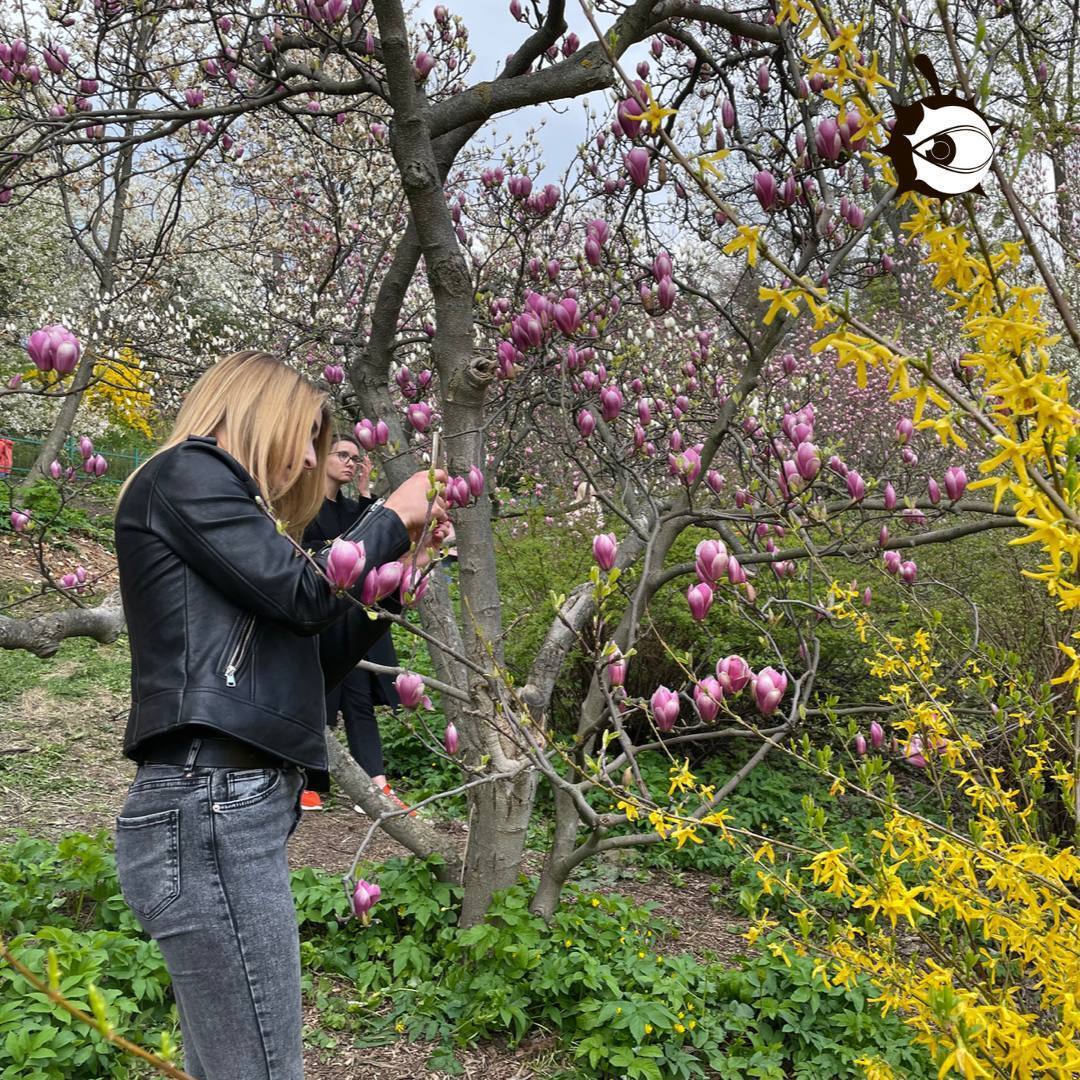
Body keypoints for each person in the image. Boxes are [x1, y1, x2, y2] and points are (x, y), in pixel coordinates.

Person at [112, 350, 447, 1080]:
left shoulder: (230, 519)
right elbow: (302, 596)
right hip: (210, 806)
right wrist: (389, 517)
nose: (308, 457)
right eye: (303, 434)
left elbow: (316, 656)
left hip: (221, 810)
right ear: (255, 411)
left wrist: (396, 578)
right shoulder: (188, 474)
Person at [298, 436, 407, 812]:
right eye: (342, 455)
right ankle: (308, 781)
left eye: (355, 458)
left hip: (355, 613)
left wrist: (365, 494)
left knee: (360, 698)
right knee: (321, 699)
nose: (350, 462)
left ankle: (375, 781)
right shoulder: (303, 504)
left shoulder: (350, 508)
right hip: (319, 614)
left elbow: (372, 541)